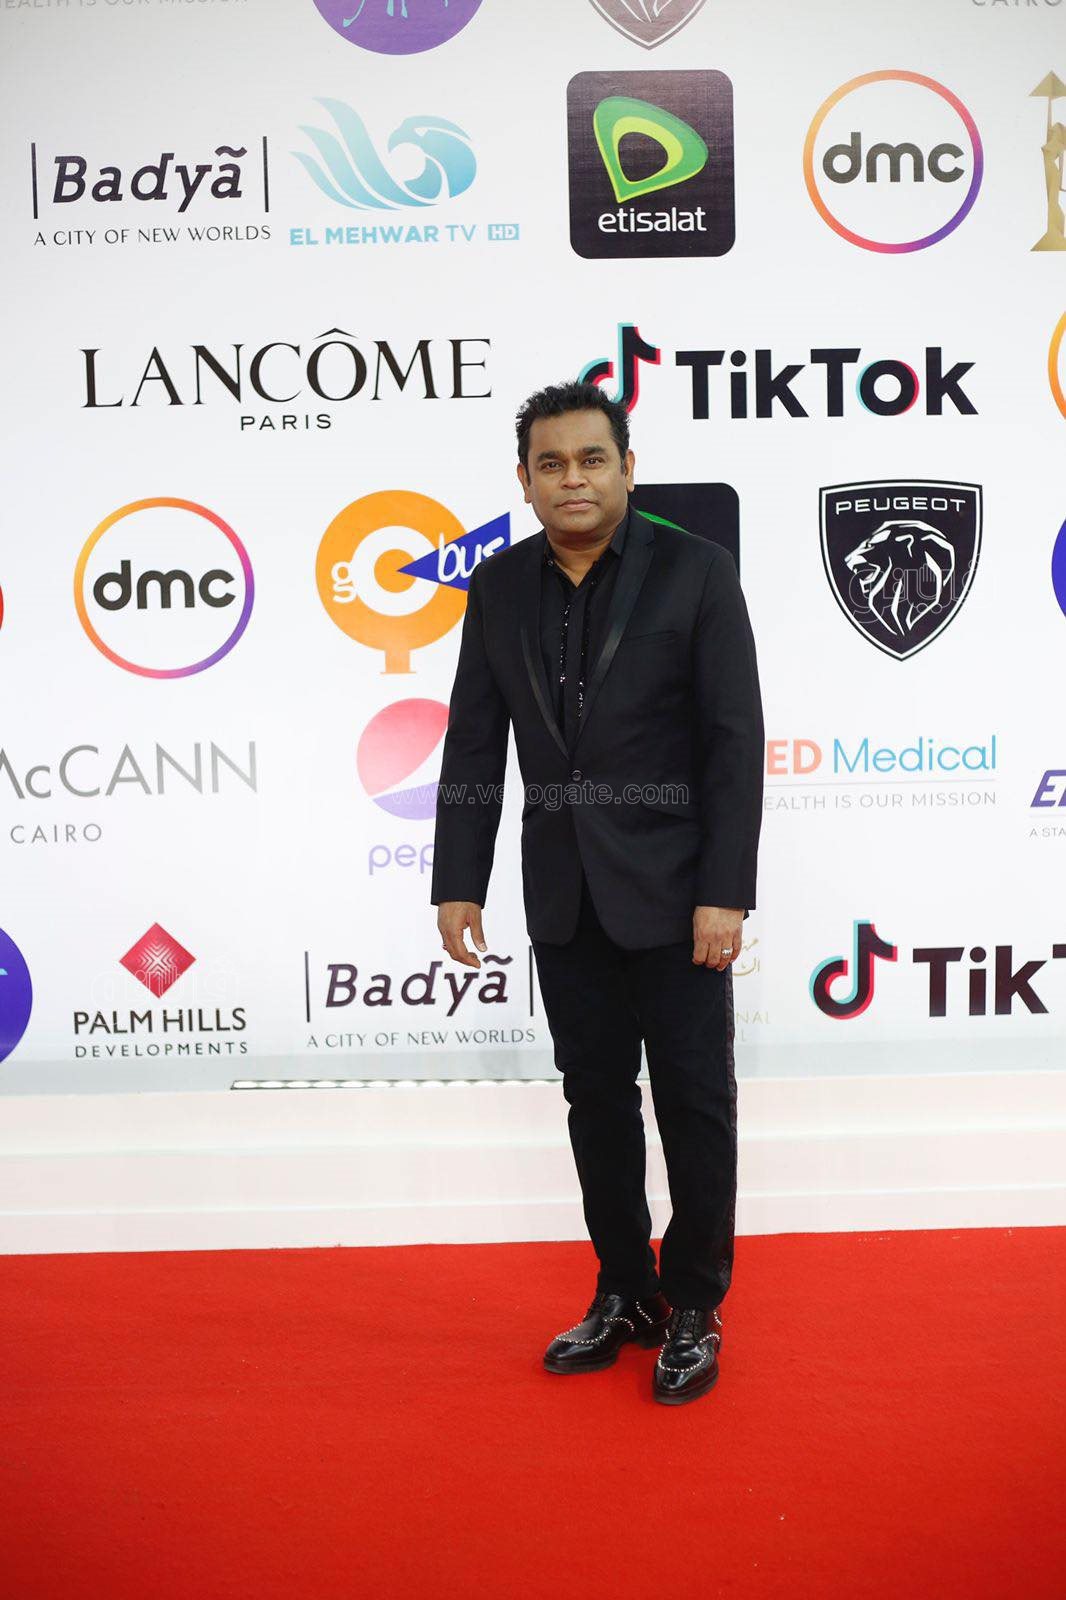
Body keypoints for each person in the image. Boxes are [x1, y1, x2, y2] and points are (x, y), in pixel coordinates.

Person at [431, 381, 764, 1405]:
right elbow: (474, 741)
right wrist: (459, 880)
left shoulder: (695, 572)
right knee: (596, 1102)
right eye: (550, 464)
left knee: (694, 1102)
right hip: (564, 894)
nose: (571, 479)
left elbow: (733, 740)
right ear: (524, 479)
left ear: (626, 467)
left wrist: (724, 891)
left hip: (678, 895)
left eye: (590, 459)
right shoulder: (497, 587)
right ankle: (625, 1289)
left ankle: (695, 1301)